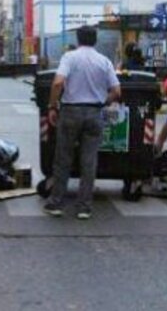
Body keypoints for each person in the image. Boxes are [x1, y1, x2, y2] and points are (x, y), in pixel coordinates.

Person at [44, 25, 121, 220]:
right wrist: (104, 102)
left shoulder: (70, 57)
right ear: (95, 40)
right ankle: (84, 207)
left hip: (70, 112)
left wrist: (53, 106)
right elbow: (117, 92)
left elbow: (58, 83)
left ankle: (56, 204)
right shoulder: (104, 61)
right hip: (94, 112)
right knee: (89, 161)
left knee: (63, 159)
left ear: (78, 39)